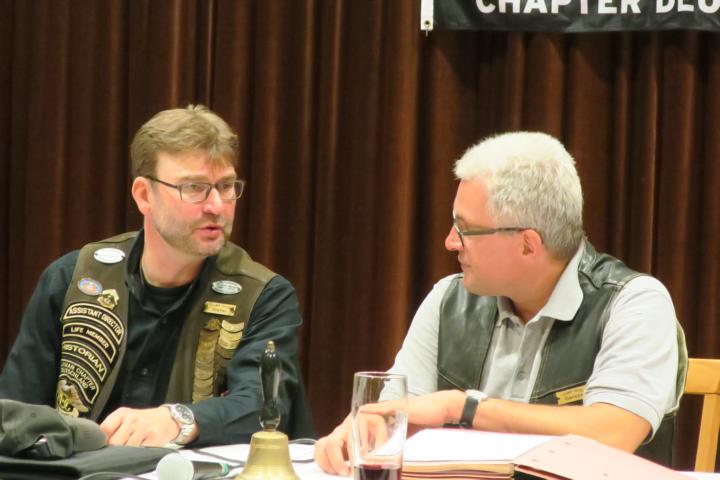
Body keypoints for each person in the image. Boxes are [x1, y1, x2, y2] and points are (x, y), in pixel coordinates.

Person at [315, 131, 686, 474]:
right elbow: (394, 418)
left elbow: (612, 434)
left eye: (465, 229)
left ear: (527, 244)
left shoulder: (634, 303)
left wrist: (462, 407)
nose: (450, 242)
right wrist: (364, 431)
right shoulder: (448, 300)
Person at [0, 105, 313, 448]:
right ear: (144, 195)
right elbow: (14, 412)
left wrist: (178, 419)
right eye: (194, 187)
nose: (216, 206)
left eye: (225, 186)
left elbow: (263, 408)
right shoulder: (71, 279)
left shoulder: (264, 296)